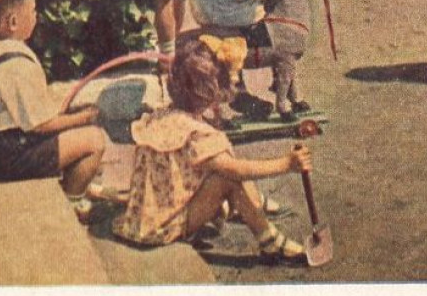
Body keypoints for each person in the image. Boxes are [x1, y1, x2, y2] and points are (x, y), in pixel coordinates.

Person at [112, 37, 312, 262]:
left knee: (224, 167)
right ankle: (269, 241)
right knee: (228, 178)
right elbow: (236, 170)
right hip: (163, 226)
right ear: (213, 90)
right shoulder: (196, 134)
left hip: (146, 217)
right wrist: (286, 164)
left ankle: (251, 203)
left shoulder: (165, 116)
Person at [0, 0, 106, 221]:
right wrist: (84, 117)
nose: (36, 16)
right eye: (32, 11)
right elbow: (40, 125)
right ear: (12, 22)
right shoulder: (16, 66)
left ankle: (73, 183)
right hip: (12, 156)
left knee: (69, 123)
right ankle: (72, 204)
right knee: (94, 139)